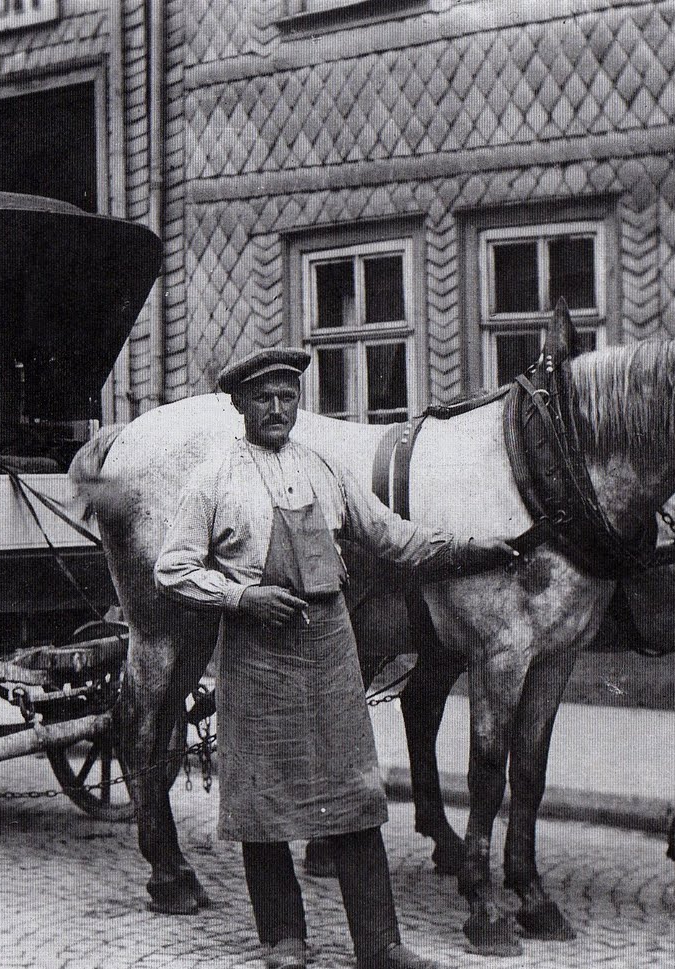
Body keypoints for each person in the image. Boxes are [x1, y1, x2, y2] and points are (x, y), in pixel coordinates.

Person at [155, 347, 517, 969]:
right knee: (264, 801)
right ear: (239, 405)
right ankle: (284, 940)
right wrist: (241, 596)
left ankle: (381, 944)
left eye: (287, 396)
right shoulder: (214, 478)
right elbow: (172, 568)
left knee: (352, 795)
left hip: (329, 645)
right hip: (257, 651)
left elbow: (393, 536)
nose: (277, 408)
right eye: (263, 398)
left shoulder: (324, 467)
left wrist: (473, 547)